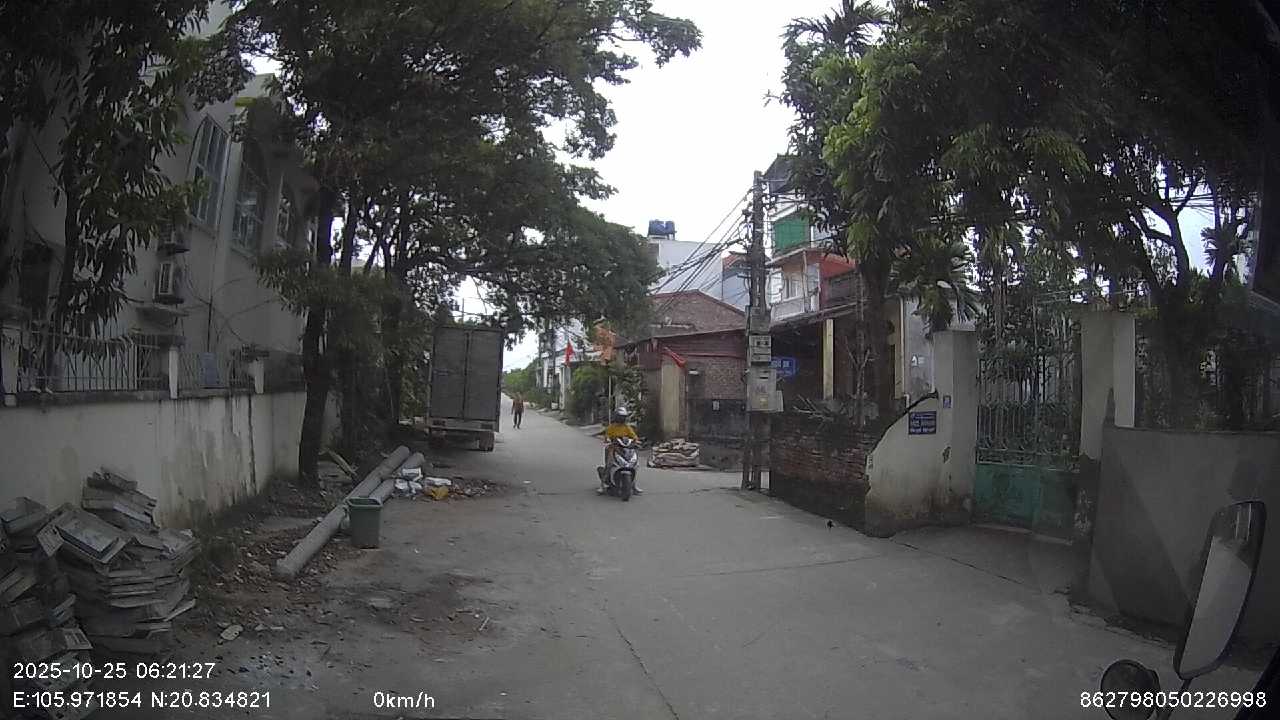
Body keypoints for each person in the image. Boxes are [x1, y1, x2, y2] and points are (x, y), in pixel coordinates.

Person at [599, 407, 643, 495]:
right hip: (614, 448)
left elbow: (634, 436)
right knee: (609, 465)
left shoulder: (627, 427)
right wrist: (608, 439)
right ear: (616, 417)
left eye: (623, 417)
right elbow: (607, 436)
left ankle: (634, 486)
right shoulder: (612, 427)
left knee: (634, 465)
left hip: (625, 448)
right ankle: (602, 485)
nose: (622, 419)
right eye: (620, 417)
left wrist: (636, 440)